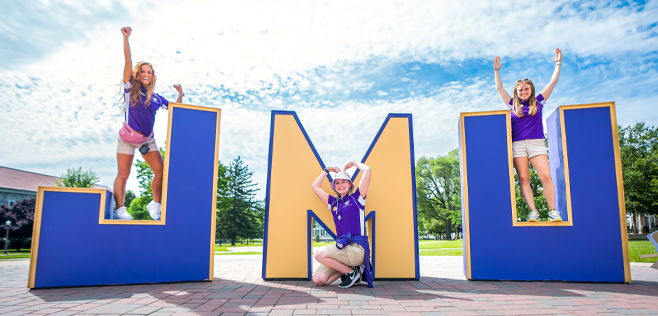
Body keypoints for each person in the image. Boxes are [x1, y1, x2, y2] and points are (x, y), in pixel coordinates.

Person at [113, 27, 184, 221]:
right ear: (138, 74)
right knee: (123, 173)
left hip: (146, 141)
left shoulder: (157, 98)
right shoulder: (130, 88)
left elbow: (176, 109)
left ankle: (155, 203)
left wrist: (180, 94)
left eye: (149, 72)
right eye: (143, 71)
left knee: (161, 171)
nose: (146, 74)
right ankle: (120, 210)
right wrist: (126, 38)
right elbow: (127, 61)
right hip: (128, 138)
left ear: (152, 76)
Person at [493, 48, 563, 222]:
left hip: (536, 143)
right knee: (524, 179)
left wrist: (557, 63)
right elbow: (499, 87)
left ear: (531, 90)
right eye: (519, 90)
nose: (523, 92)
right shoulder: (511, 105)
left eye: (525, 89)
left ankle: (553, 211)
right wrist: (496, 71)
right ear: (516, 93)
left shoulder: (538, 102)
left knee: (545, 176)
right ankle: (533, 212)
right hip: (517, 145)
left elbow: (553, 82)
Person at [311, 161, 373, 288]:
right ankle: (353, 271)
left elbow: (367, 170)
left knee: (318, 254)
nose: (340, 185)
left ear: (350, 184)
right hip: (342, 249)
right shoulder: (333, 202)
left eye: (343, 181)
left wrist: (353, 163)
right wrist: (327, 169)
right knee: (318, 279)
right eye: (337, 183)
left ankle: (351, 272)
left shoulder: (358, 198)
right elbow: (315, 186)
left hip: (357, 249)